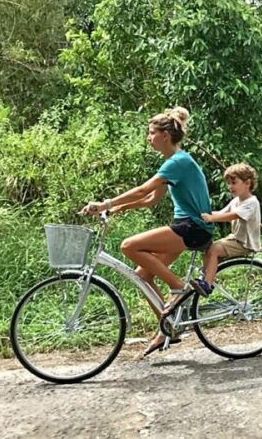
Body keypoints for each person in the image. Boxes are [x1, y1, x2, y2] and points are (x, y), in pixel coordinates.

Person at [80, 107, 215, 357]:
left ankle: (179, 288)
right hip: (189, 227)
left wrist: (105, 203)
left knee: (129, 246)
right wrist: (119, 208)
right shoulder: (174, 163)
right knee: (143, 275)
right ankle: (168, 330)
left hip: (193, 227)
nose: (148, 137)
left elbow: (143, 190)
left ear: (165, 135)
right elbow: (152, 198)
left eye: (151, 133)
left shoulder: (179, 161)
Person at [191, 163, 261, 295]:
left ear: (247, 183)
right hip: (235, 238)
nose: (230, 187)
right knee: (208, 248)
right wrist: (202, 214)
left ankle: (207, 284)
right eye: (228, 183)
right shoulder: (235, 201)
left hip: (246, 243)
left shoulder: (252, 202)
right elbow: (222, 213)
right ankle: (205, 277)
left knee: (214, 250)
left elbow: (232, 216)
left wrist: (212, 219)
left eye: (234, 182)